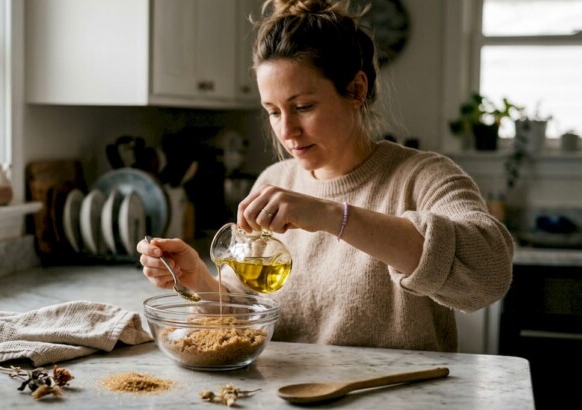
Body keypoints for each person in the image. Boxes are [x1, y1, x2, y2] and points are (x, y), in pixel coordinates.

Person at [136, 0, 513, 353]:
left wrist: (332, 215)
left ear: (356, 90)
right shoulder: (273, 180)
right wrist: (198, 280)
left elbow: (489, 274)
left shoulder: (425, 177)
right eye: (273, 111)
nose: (287, 130)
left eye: (303, 107)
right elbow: (247, 315)